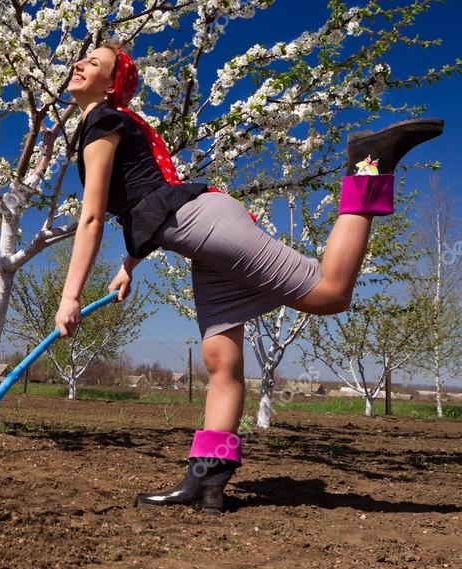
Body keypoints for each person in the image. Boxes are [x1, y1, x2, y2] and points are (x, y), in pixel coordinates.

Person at [55, 42, 444, 513]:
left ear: (113, 83)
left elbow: (93, 217)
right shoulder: (104, 124)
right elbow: (145, 196)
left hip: (204, 225)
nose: (79, 64)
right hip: (196, 232)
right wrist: (128, 265)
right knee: (221, 361)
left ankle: (369, 165)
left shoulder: (103, 120)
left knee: (329, 292)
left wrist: (70, 295)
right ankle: (205, 482)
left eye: (94, 62)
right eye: (82, 58)